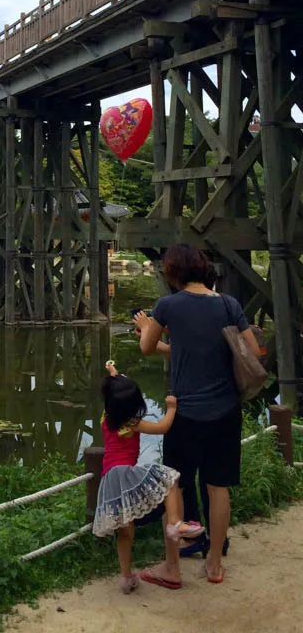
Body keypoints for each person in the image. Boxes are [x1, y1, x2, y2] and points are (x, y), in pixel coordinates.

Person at [135, 243, 261, 585]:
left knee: (174, 484)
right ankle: (215, 565)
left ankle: (172, 568)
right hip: (225, 411)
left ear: (174, 272)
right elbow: (251, 351)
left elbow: (147, 347)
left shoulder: (168, 305)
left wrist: (147, 326)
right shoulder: (228, 304)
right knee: (218, 488)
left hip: (185, 412)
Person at [93, 362, 204, 594]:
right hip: (125, 473)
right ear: (134, 405)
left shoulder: (107, 417)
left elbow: (114, 388)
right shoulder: (132, 423)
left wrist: (113, 373)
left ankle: (125, 578)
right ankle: (175, 523)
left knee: (125, 531)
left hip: (110, 480)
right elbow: (163, 427)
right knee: (170, 478)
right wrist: (171, 408)